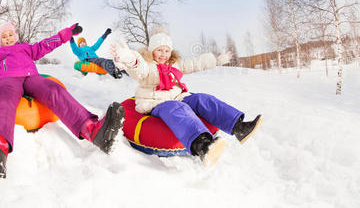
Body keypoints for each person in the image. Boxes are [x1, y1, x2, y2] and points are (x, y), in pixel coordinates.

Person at [0, 22, 125, 179]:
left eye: (10, 34)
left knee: (54, 89)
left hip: (32, 78)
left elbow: (46, 44)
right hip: (8, 80)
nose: (7, 38)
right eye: (3, 36)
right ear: (0, 41)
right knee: (3, 96)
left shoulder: (26, 48)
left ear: (15, 35)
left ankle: (92, 130)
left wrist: (67, 33)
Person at [110, 27, 263, 166]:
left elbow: (194, 63)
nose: (163, 54)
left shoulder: (174, 64)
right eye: (159, 50)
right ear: (152, 51)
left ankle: (239, 127)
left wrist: (216, 60)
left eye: (166, 51)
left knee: (202, 99)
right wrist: (129, 58)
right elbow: (139, 68)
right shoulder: (148, 66)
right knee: (177, 108)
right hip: (155, 103)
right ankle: (202, 146)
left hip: (178, 97)